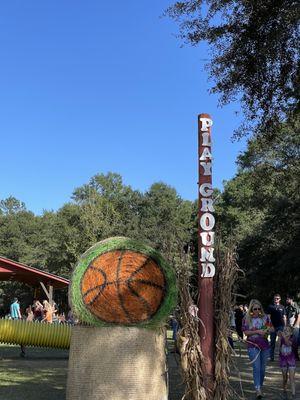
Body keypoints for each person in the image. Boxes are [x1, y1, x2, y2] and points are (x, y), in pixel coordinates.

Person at [242, 299, 274, 399]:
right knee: (256, 367)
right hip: (252, 345)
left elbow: (272, 329)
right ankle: (258, 389)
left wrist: (266, 330)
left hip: (265, 345)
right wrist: (258, 332)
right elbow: (246, 332)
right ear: (251, 308)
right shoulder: (247, 318)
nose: (257, 310)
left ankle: (259, 386)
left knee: (262, 369)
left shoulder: (265, 318)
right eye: (254, 308)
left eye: (258, 308)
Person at [266, 294, 286, 361]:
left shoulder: (282, 307)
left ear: (280, 299)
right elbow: (268, 317)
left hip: (281, 326)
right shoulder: (270, 306)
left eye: (277, 298)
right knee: (272, 342)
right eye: (275, 298)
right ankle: (271, 358)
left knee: (280, 342)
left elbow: (284, 317)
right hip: (273, 326)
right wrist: (270, 326)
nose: (276, 299)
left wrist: (285, 326)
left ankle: (281, 357)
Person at [278, 326, 296, 398]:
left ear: (291, 333)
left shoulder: (292, 338)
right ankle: (284, 391)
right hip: (283, 360)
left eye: (287, 330)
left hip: (291, 360)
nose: (285, 331)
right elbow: (279, 346)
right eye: (284, 330)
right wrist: (279, 337)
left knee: (292, 378)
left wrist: (283, 336)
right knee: (284, 378)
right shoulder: (281, 338)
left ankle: (293, 394)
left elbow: (288, 343)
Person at [286, 294, 300, 361]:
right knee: (290, 342)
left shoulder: (295, 306)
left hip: (295, 327)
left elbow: (299, 316)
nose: (286, 300)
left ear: (291, 299)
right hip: (289, 326)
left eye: (287, 299)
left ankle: (296, 357)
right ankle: (292, 356)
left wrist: (295, 326)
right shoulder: (288, 307)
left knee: (295, 342)